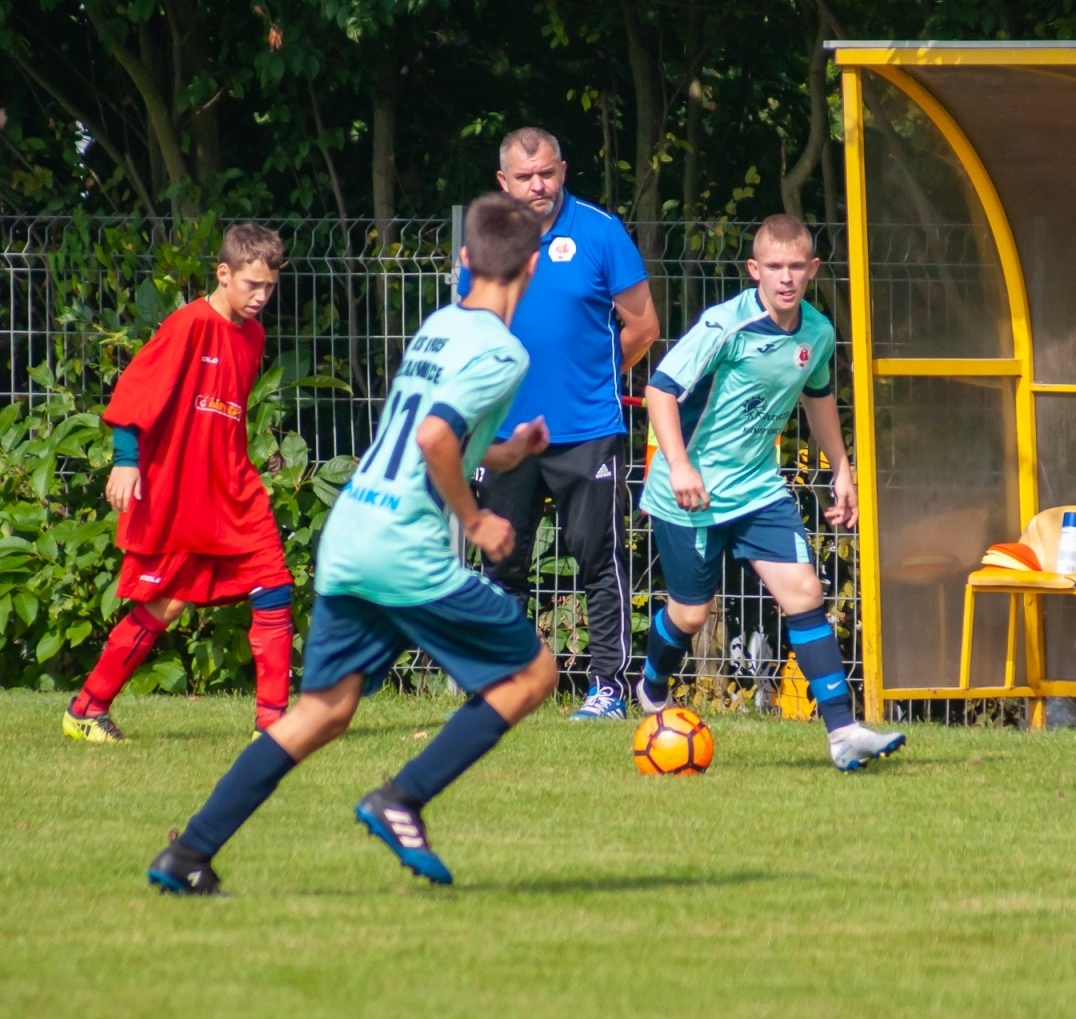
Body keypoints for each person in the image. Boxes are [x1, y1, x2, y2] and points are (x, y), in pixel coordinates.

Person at [147, 193, 558, 894]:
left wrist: (510, 452)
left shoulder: (439, 326)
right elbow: (433, 440)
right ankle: (402, 797)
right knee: (531, 675)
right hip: (405, 547)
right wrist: (480, 520)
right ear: (534, 264)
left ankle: (187, 853)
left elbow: (437, 435)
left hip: (354, 530)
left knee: (324, 712)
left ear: (464, 260)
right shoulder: (503, 351)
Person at [638, 214, 905, 771]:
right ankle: (652, 687)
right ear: (755, 269)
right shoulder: (725, 326)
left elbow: (818, 396)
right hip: (692, 491)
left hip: (759, 488)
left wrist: (842, 468)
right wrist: (680, 465)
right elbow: (660, 390)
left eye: (795, 267)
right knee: (690, 614)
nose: (785, 278)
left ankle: (843, 732)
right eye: (774, 267)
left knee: (805, 591)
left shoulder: (818, 331)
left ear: (812, 269)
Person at [63, 224, 294, 742]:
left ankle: (274, 727)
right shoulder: (188, 324)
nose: (261, 297)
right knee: (166, 604)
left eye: (270, 287)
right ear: (223, 273)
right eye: (251, 285)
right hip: (181, 492)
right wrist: (127, 460)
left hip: (233, 488)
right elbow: (135, 391)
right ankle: (85, 709)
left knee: (275, 587)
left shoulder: (253, 336)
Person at [461, 127, 659, 720]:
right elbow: (472, 327)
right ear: (503, 182)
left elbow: (643, 326)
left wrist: (595, 377)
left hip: (587, 429)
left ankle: (607, 690)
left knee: (597, 557)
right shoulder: (489, 240)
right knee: (501, 561)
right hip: (505, 437)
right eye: (524, 177)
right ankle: (501, 684)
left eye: (546, 172)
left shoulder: (601, 232)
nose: (537, 185)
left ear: (564, 169)